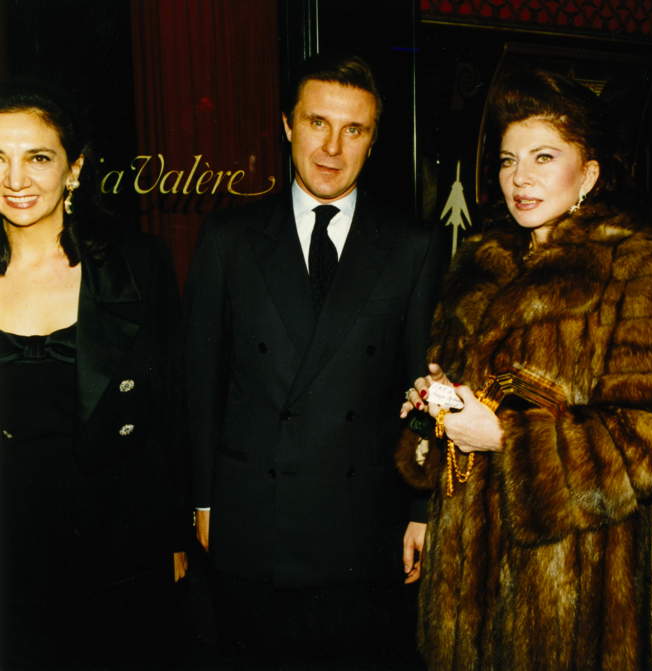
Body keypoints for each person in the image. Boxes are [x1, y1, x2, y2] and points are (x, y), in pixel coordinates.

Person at [396, 69, 652, 671]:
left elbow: (650, 440)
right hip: (466, 575)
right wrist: (430, 415)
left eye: (544, 157)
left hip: (578, 584)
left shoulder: (638, 265)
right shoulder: (479, 265)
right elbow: (449, 408)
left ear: (590, 172)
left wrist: (505, 438)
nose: (520, 178)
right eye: (509, 160)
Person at [184, 53, 442, 669]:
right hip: (252, 517)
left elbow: (425, 389)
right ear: (287, 125)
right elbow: (199, 383)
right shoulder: (229, 238)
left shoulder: (413, 245)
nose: (332, 147)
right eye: (317, 122)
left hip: (364, 528)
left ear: (373, 141)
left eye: (353, 129)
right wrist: (202, 502)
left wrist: (420, 510)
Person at [0, 81, 188, 668]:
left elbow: (170, 412)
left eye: (37, 157)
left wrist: (173, 536)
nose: (15, 179)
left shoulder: (139, 265)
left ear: (74, 169)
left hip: (112, 541)